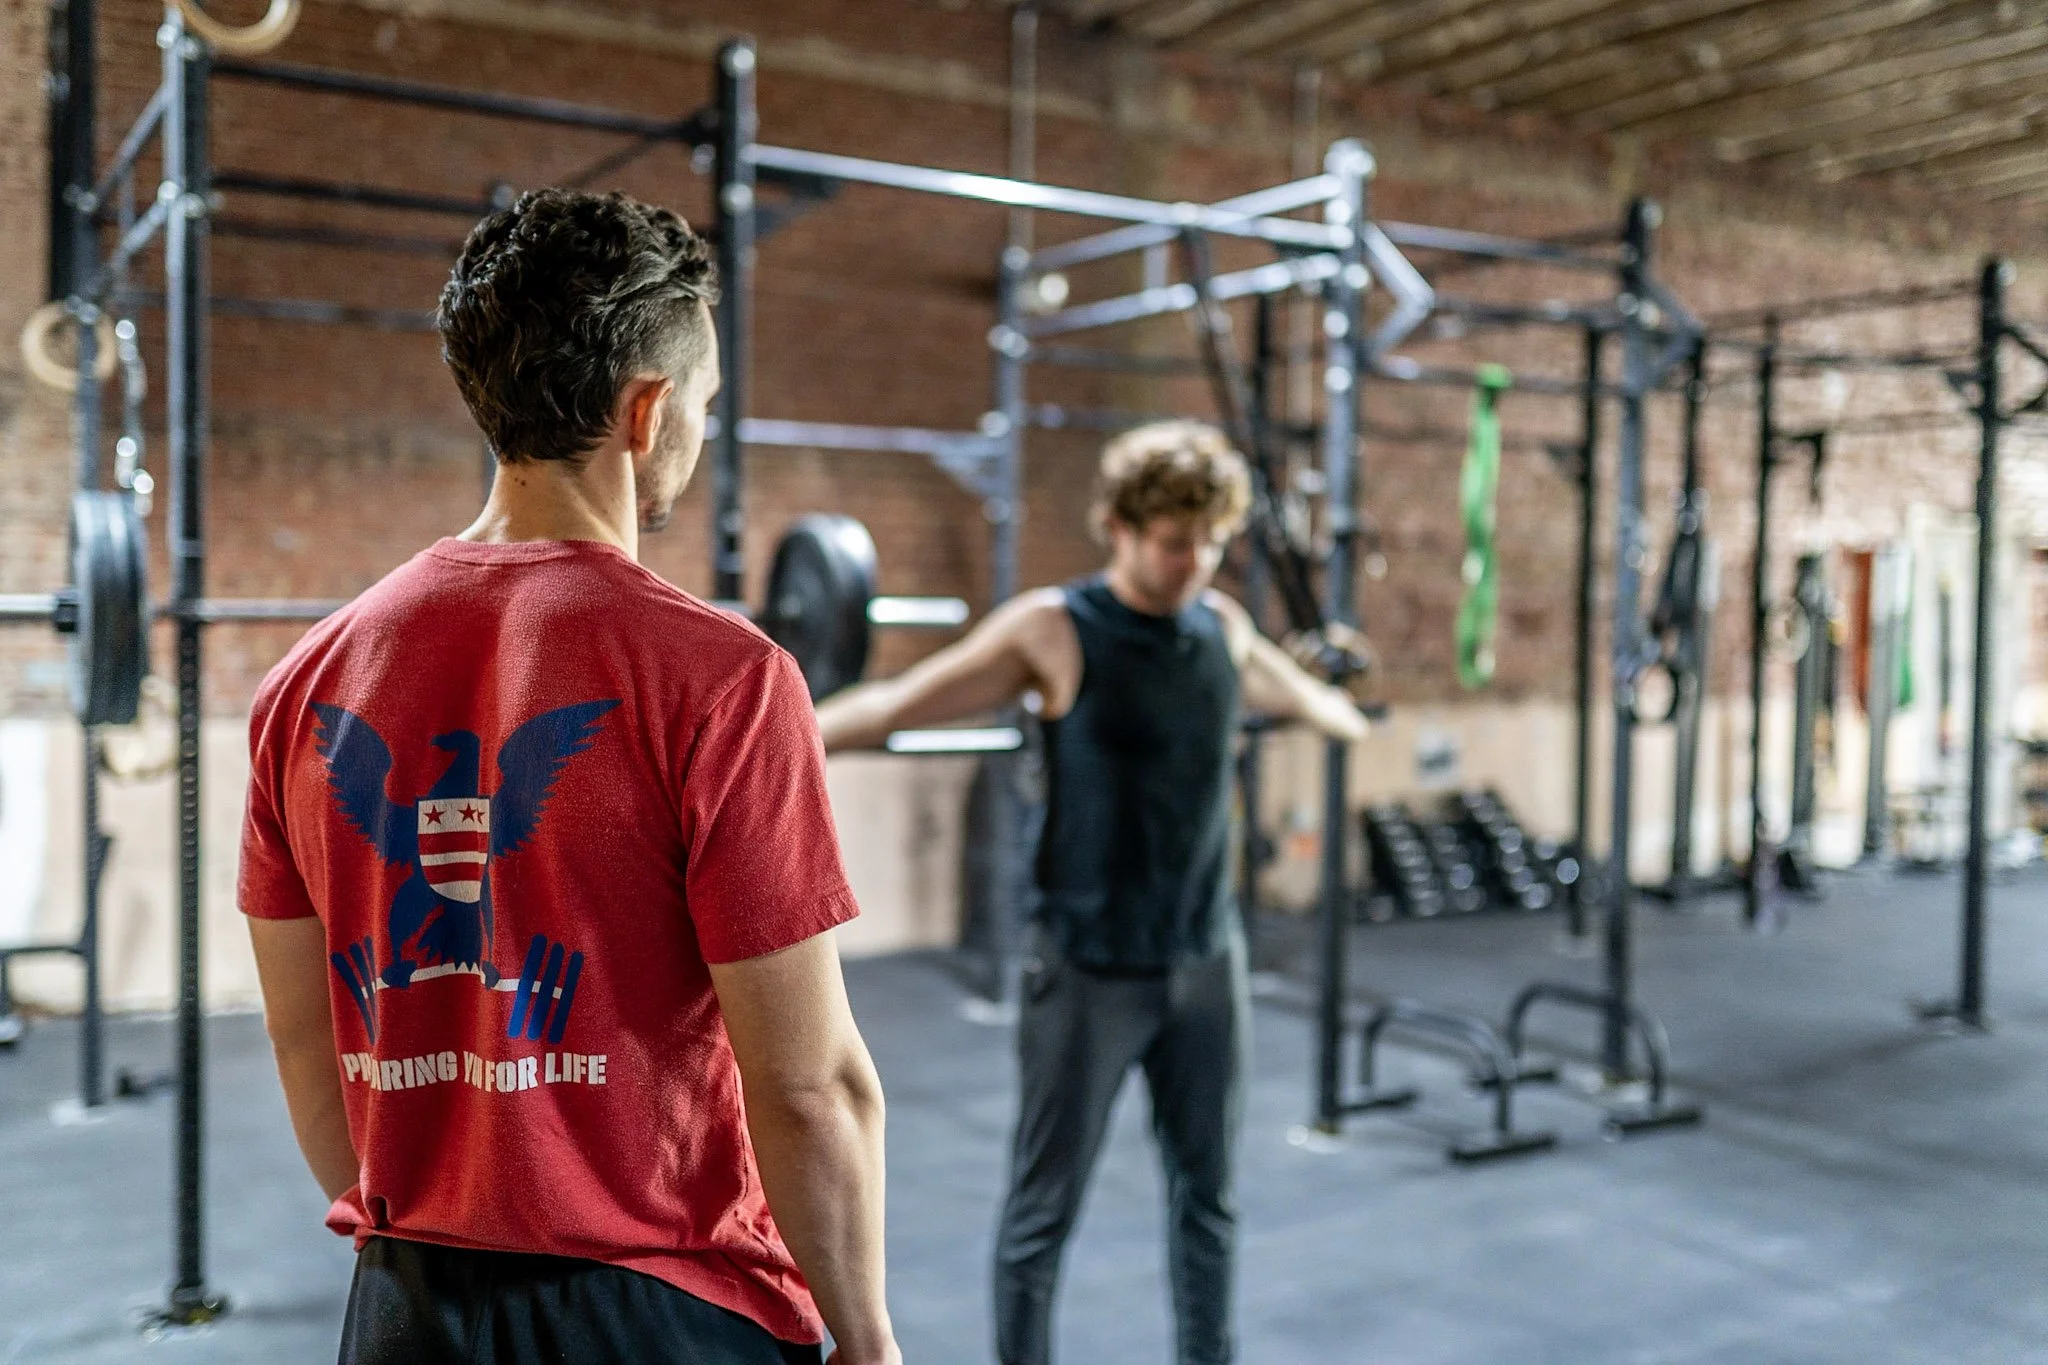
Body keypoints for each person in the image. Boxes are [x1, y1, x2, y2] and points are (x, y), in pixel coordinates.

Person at [238, 189, 900, 1365]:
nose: (697, 426)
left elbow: (304, 1041)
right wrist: (866, 1341)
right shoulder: (722, 677)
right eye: (700, 404)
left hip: (403, 1306)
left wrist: (420, 1232)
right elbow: (810, 1086)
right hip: (654, 1308)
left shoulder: (303, 684)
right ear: (646, 415)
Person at [813, 420, 1370, 1365]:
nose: (1193, 560)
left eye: (1210, 541)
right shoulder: (1055, 627)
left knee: (1210, 1200)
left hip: (1205, 964)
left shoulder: (1223, 630)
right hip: (1087, 973)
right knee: (1045, 1212)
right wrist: (762, 729)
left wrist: (1343, 705)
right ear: (1117, 524)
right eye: (1172, 538)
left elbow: (1306, 698)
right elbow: (903, 703)